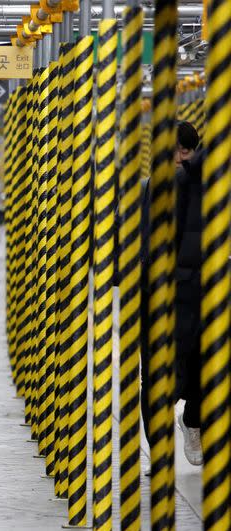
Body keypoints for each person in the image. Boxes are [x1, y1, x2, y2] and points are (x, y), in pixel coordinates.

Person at [140, 121, 203, 470]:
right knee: (155, 380)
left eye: (186, 150)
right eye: (174, 150)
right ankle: (160, 453)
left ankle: (192, 420)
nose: (180, 157)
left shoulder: (208, 188)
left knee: (198, 372)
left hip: (198, 297)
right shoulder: (151, 189)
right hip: (158, 300)